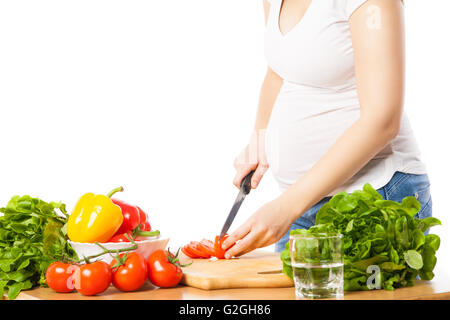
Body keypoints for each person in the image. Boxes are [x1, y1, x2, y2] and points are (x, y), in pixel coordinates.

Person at [221, 0, 431, 258]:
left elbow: (382, 121)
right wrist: (259, 139)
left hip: (373, 198)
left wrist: (285, 208)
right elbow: (280, 69)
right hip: (299, 205)